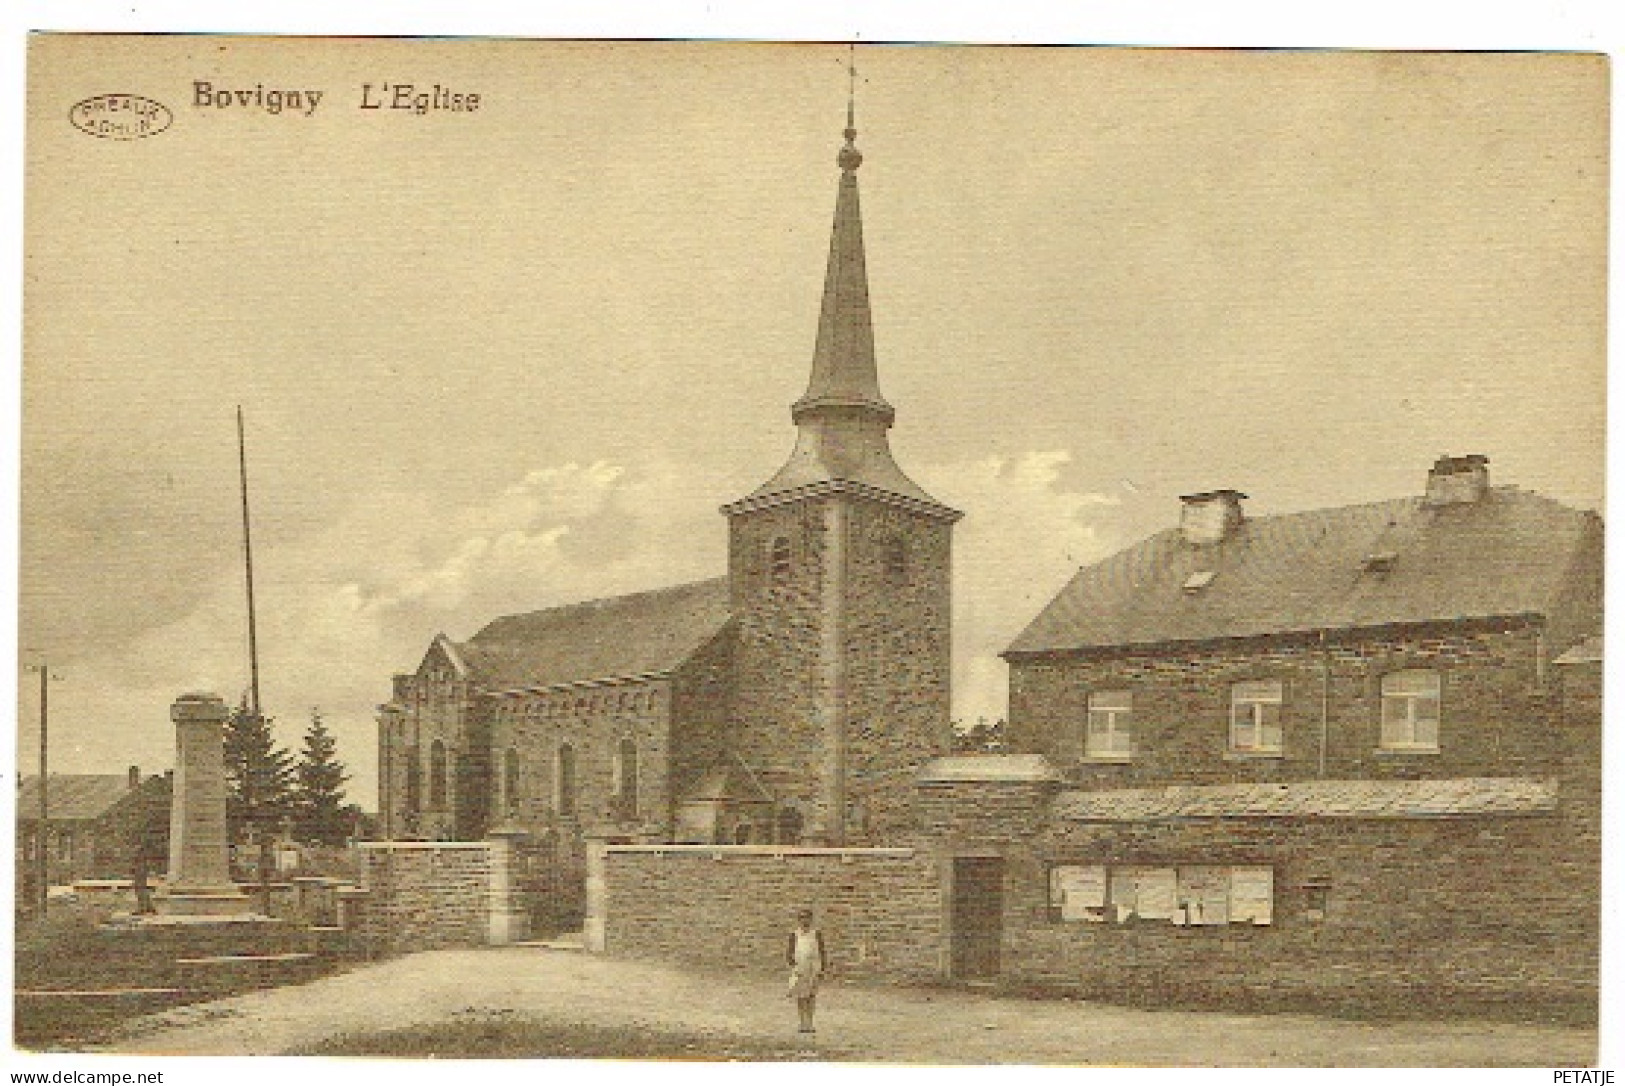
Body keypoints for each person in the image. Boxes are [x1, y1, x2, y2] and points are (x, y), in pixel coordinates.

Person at [785, 908, 828, 1034]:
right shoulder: (795, 935)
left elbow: (822, 951)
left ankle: (810, 1021)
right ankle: (802, 1022)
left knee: (811, 995)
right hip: (800, 968)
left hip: (813, 967)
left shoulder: (816, 934)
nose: (805, 921)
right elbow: (789, 953)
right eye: (802, 918)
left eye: (807, 918)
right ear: (799, 920)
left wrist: (822, 968)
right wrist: (794, 966)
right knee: (801, 996)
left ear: (811, 919)